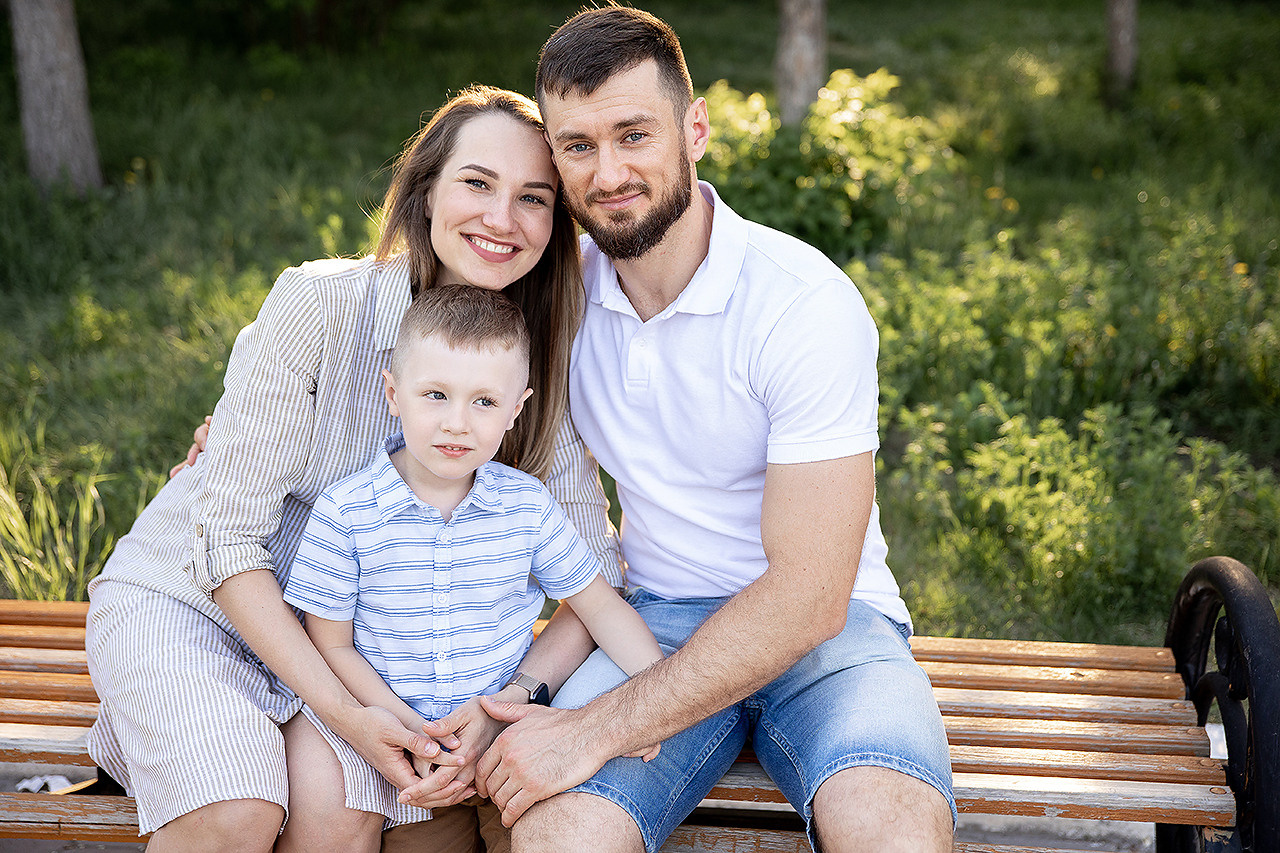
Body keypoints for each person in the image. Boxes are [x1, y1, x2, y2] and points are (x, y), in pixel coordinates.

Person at [460, 7, 956, 853]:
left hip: (833, 634)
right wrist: (252, 408)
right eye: (577, 145)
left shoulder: (801, 304)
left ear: (696, 131)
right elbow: (416, 320)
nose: (608, 171)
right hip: (649, 624)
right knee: (557, 838)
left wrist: (591, 730)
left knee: (892, 832)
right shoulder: (557, 301)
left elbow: (809, 595)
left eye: (634, 134)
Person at [84, 84, 619, 853]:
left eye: (534, 198)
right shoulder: (318, 304)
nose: (502, 219)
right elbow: (226, 540)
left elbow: (593, 571)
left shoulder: (537, 360)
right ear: (427, 189)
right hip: (196, 604)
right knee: (235, 807)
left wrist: (511, 695)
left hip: (364, 652)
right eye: (477, 183)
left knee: (343, 817)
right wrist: (344, 712)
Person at [281, 284, 663, 850]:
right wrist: (413, 734)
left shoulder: (526, 506)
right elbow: (331, 646)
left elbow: (599, 605)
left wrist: (653, 699)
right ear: (393, 393)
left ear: (516, 410)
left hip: (510, 751)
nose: (456, 423)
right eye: (435, 394)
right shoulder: (346, 513)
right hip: (408, 767)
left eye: (484, 402)